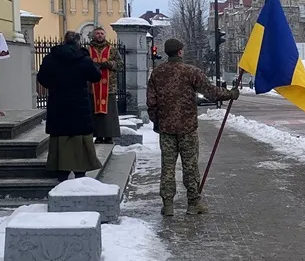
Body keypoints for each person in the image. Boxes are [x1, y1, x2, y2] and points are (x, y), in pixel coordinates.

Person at [146, 38, 239, 216]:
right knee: (190, 166)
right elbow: (211, 92)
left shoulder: (157, 73)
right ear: (180, 51)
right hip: (187, 127)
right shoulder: (191, 72)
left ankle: (168, 205)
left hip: (166, 128)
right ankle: (193, 203)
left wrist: (157, 121)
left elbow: (151, 102)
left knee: (167, 167)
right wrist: (230, 94)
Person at [37, 31, 104, 183]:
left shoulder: (51, 58)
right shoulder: (83, 59)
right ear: (78, 43)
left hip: (58, 101)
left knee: (61, 135)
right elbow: (96, 77)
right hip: (79, 103)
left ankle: (62, 170)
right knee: (79, 135)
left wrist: (54, 85)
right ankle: (80, 172)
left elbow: (42, 78)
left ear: (64, 41)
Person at [87, 27, 123, 144]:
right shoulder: (88, 49)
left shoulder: (112, 49)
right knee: (95, 113)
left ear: (105, 35)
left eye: (102, 33)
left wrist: (109, 64)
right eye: (97, 33)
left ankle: (109, 136)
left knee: (109, 113)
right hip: (93, 87)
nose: (100, 35)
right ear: (94, 35)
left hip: (109, 87)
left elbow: (120, 64)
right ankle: (98, 136)